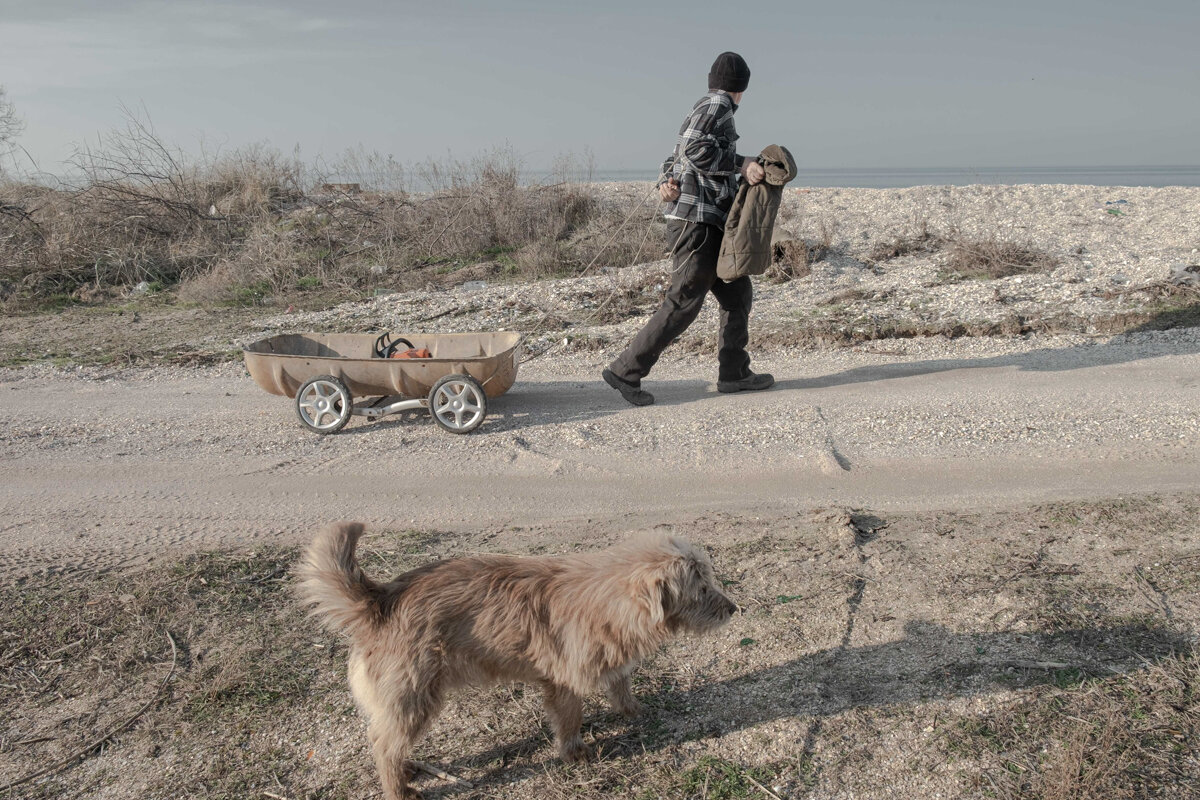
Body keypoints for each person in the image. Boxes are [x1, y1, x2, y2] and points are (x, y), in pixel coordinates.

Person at [602, 51, 774, 407]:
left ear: (712, 79)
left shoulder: (704, 106)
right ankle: (625, 370)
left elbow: (677, 157)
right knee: (683, 300)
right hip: (696, 224)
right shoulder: (718, 106)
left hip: (707, 222)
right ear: (741, 89)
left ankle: (734, 373)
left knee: (737, 293)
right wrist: (742, 164)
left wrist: (668, 179)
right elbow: (695, 151)